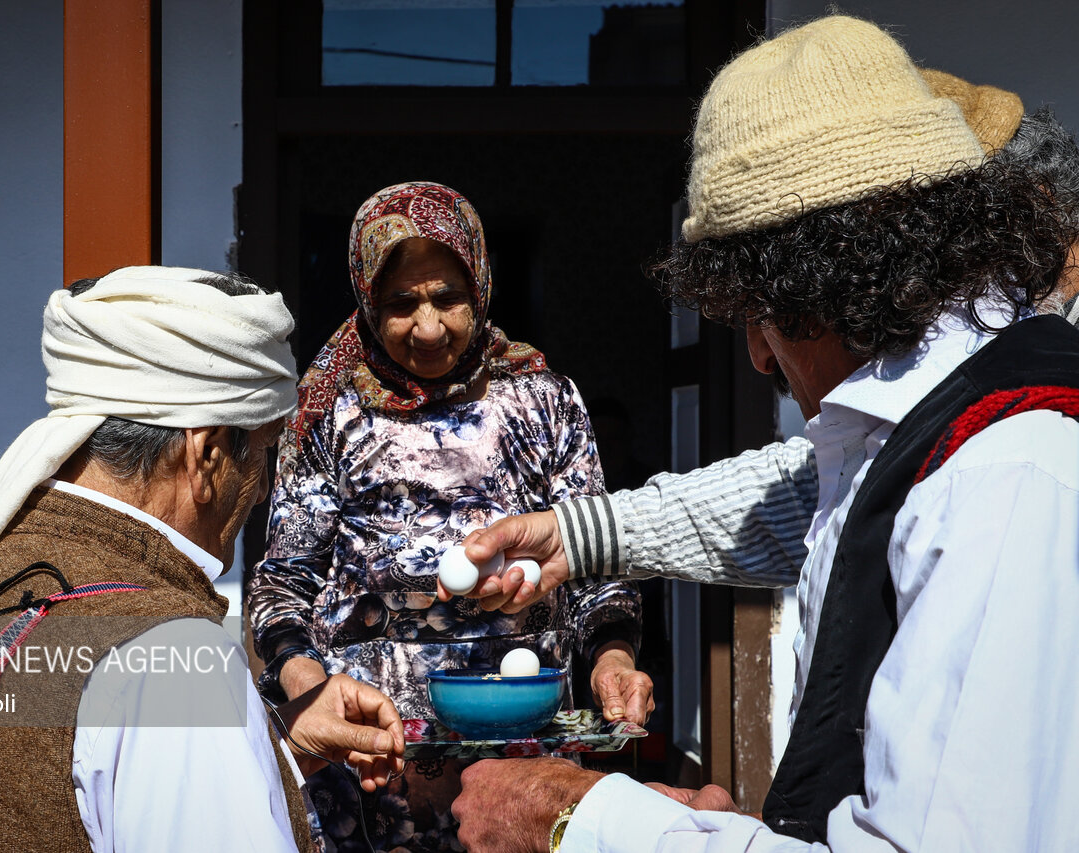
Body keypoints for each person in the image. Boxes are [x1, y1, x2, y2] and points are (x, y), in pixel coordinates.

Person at [448, 16, 1079, 851]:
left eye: (758, 313)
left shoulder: (1004, 480)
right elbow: (800, 495)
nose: (756, 355)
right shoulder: (925, 442)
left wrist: (580, 817)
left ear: (824, 281)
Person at [0, 266, 404, 852]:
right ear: (205, 456)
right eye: (265, 454)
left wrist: (273, 745)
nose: (262, 489)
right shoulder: (175, 662)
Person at [245, 181, 648, 851]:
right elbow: (283, 583)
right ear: (367, 299)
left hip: (521, 761)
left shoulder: (541, 399)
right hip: (369, 767)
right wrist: (306, 684)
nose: (428, 328)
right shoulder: (329, 412)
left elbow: (597, 563)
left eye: (448, 299)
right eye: (401, 303)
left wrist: (613, 655)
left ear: (482, 287)